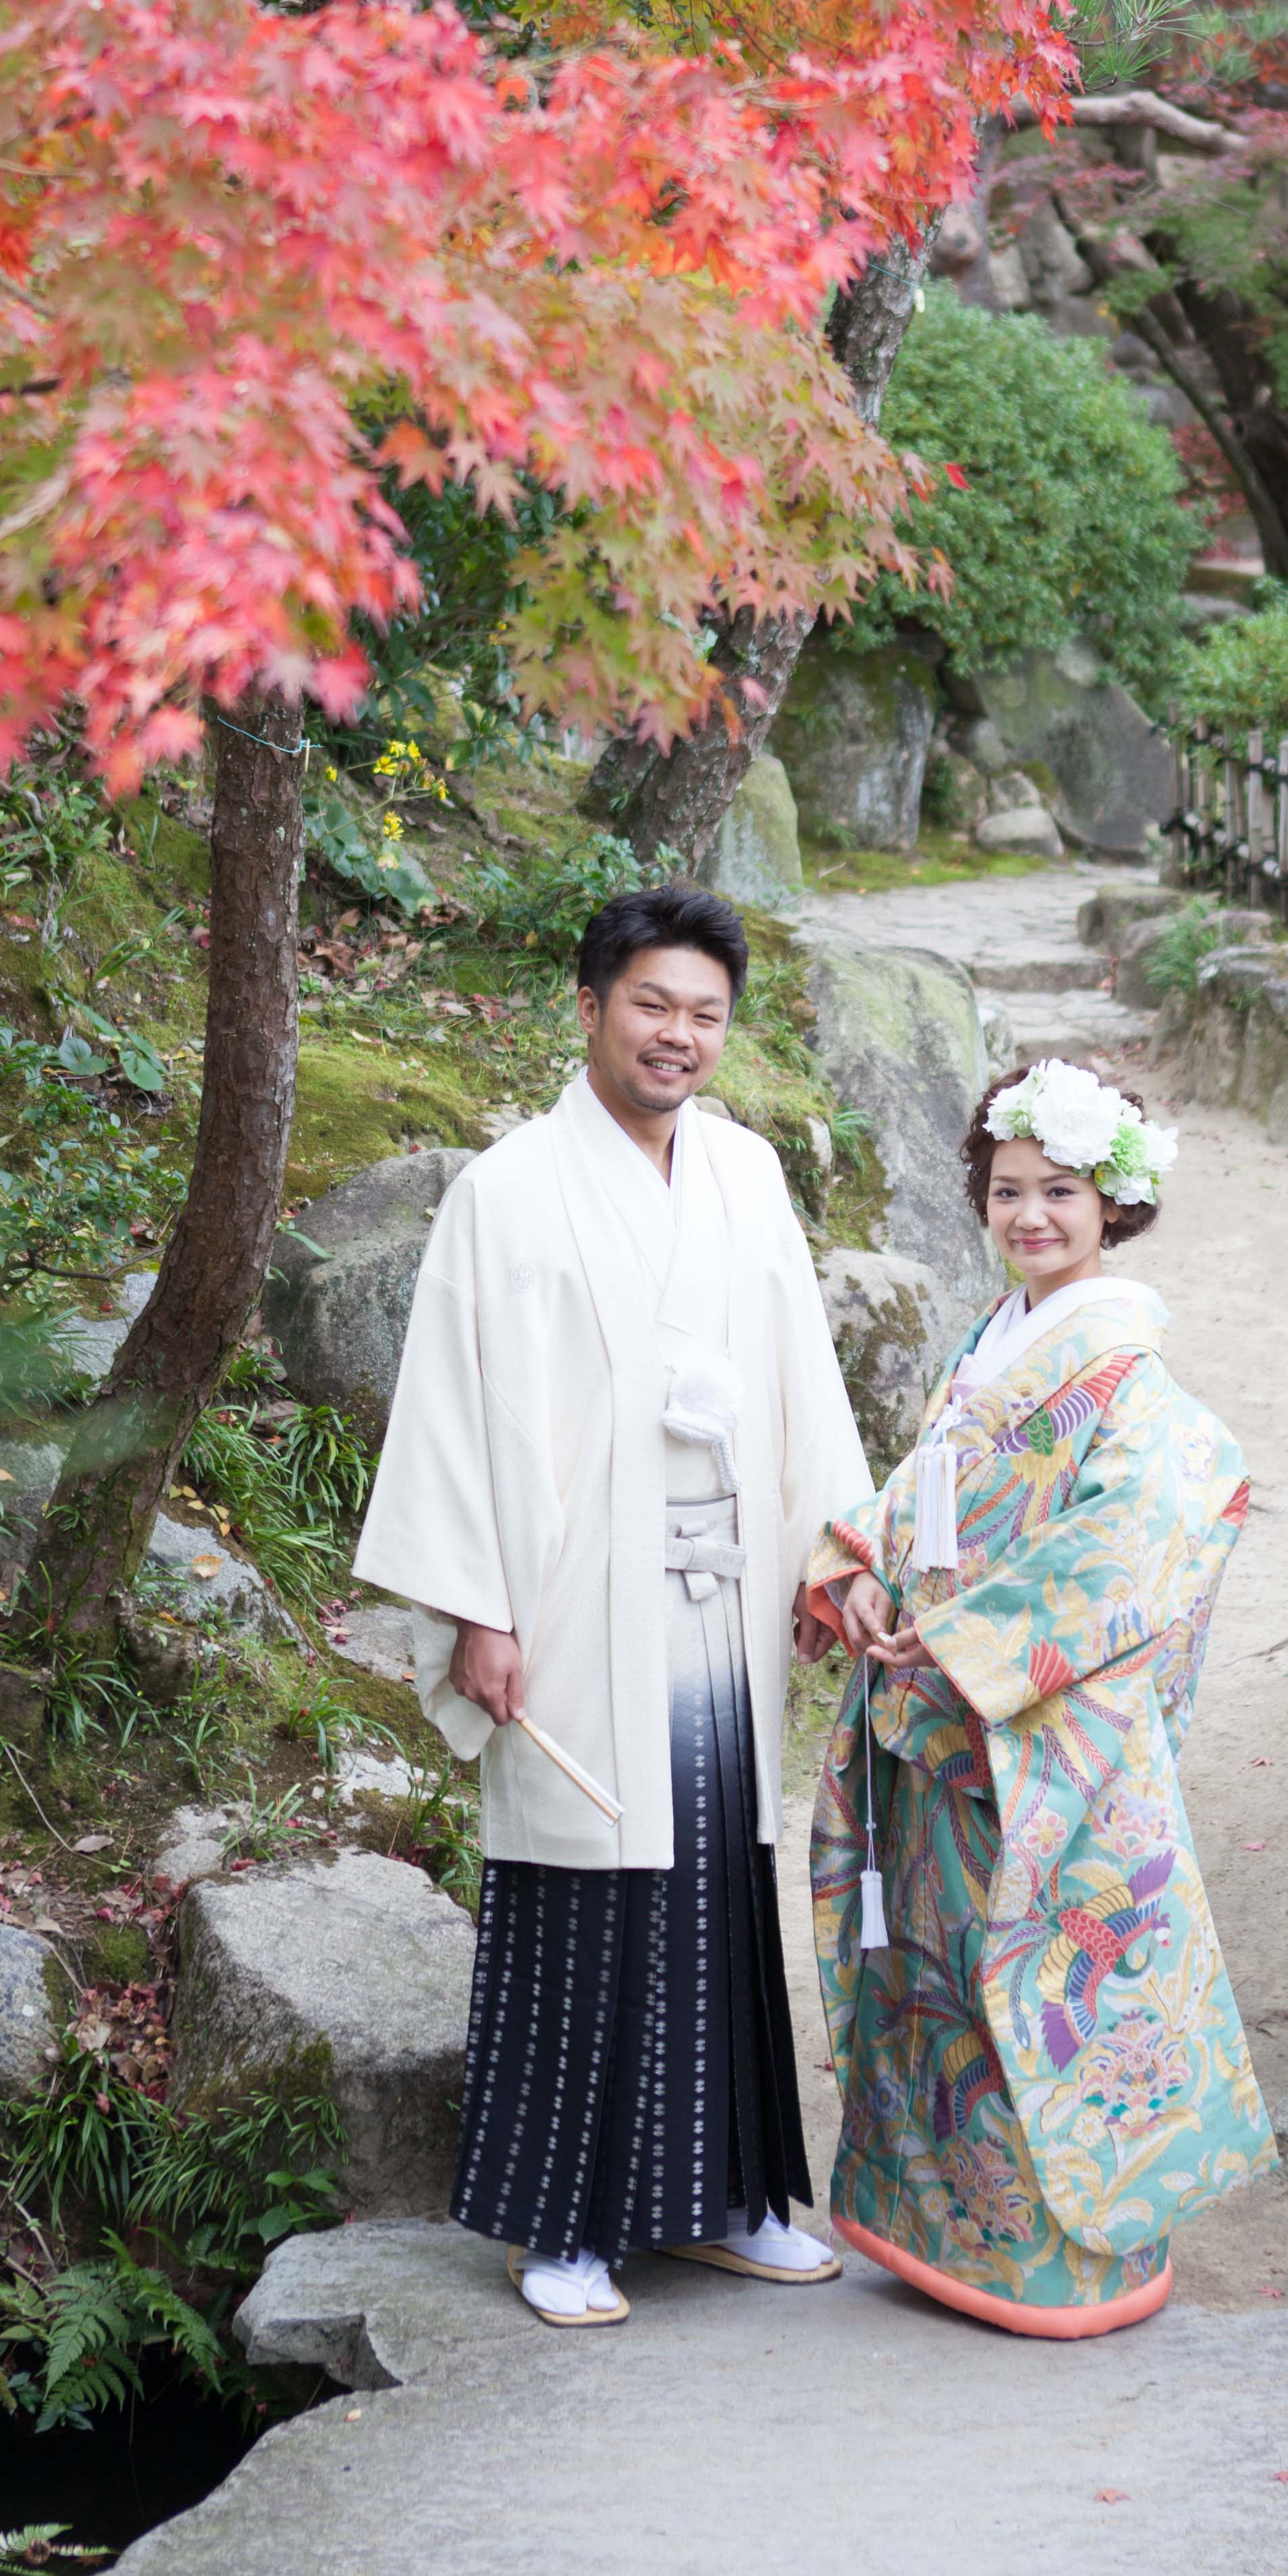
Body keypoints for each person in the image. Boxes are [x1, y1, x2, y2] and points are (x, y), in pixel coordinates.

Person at [355, 882, 870, 2329]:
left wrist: (827, 1556)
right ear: (587, 1008)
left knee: (715, 1888)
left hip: (717, 1590)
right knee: (583, 1889)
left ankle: (721, 2200)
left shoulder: (750, 1179)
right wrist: (478, 1611)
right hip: (575, 1595)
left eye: (706, 1014)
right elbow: (451, 1414)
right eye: (652, 1004)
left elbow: (801, 1385)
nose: (678, 1035)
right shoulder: (505, 1192)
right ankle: (560, 2228)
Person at [797, 1056, 1273, 2335]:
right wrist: (871, 1573)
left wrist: (969, 1641)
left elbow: (1168, 1517)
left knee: (1031, 1985)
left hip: (1031, 1728)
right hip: (941, 1708)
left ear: (1112, 1205)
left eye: (1060, 1192)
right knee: (940, 1973)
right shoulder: (995, 1341)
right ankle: (930, 2227)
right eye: (1008, 1191)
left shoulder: (1126, 1368)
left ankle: (1053, 2260)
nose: (1030, 1218)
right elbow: (923, 1494)